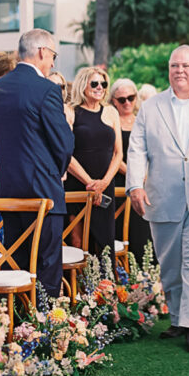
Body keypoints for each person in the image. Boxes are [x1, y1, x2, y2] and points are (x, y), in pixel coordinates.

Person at [126, 45, 189, 352]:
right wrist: (135, 185)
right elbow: (136, 148)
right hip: (163, 196)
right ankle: (178, 319)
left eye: (186, 66)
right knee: (170, 264)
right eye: (174, 66)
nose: (179, 70)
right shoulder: (151, 106)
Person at [0, 29, 74, 298]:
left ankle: (17, 324)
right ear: (41, 52)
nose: (52, 63)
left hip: (8, 189)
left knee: (17, 261)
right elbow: (63, 143)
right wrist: (56, 172)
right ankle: (47, 328)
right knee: (47, 265)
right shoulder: (47, 89)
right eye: (53, 56)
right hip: (43, 190)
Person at [63, 66, 122, 257]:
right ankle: (79, 286)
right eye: (94, 83)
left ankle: (106, 286)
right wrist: (89, 183)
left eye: (103, 84)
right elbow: (66, 154)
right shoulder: (72, 111)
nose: (100, 87)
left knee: (104, 242)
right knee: (77, 242)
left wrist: (103, 183)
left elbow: (118, 153)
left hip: (105, 186)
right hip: (78, 184)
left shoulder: (111, 112)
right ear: (83, 85)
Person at [111, 77, 155, 264]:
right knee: (121, 231)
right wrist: (134, 174)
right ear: (113, 101)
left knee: (144, 233)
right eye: (122, 99)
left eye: (131, 97)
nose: (127, 102)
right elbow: (112, 155)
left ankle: (147, 279)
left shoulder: (143, 121)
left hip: (144, 184)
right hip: (120, 184)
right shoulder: (111, 122)